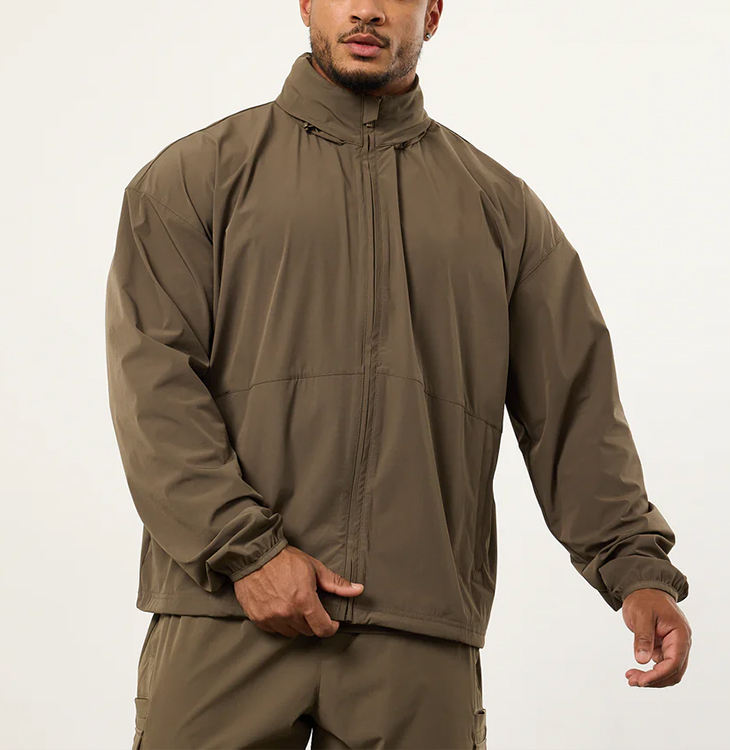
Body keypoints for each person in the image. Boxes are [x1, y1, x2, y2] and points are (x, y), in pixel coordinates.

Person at [105, 1, 692, 748]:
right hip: (226, 615)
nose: (367, 9)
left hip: (418, 632)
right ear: (306, 3)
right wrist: (246, 553)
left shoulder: (503, 212)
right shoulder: (194, 179)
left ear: (434, 13)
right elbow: (154, 389)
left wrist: (636, 570)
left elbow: (574, 408)